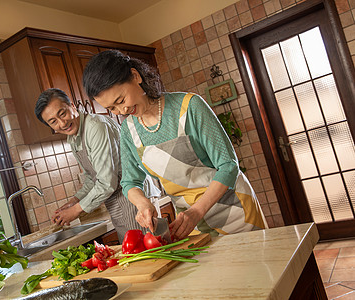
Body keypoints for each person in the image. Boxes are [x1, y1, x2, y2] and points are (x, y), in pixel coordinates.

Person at [82, 50, 267, 241]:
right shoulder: (129, 131)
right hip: (189, 223)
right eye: (112, 108)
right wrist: (143, 203)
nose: (122, 110)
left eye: (120, 100)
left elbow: (228, 165)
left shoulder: (190, 106)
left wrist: (197, 211)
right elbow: (130, 183)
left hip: (235, 212)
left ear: (135, 76)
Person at [34, 88, 158, 243]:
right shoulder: (73, 137)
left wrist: (76, 210)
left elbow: (106, 182)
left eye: (63, 113)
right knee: (136, 256)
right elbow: (92, 177)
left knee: (147, 254)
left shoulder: (96, 127)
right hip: (116, 201)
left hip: (133, 198)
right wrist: (74, 200)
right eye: (53, 121)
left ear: (72, 106)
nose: (62, 123)